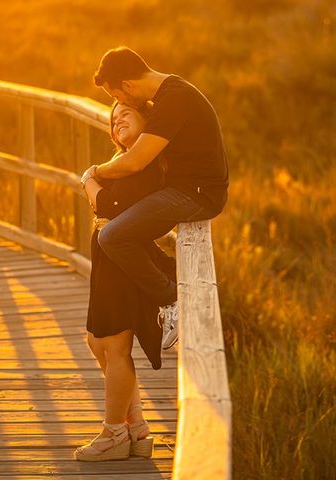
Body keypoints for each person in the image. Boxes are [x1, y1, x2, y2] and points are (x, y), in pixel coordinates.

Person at [87, 46, 229, 350]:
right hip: (181, 190)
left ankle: (172, 300)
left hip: (198, 195)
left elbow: (136, 161)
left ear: (126, 85)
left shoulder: (176, 99)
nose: (119, 103)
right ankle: (173, 282)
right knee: (120, 227)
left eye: (116, 97)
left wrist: (95, 173)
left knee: (112, 236)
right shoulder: (170, 95)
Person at [73, 102, 176, 462]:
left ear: (147, 121)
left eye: (125, 115)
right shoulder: (122, 162)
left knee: (115, 347)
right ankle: (138, 426)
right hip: (106, 263)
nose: (117, 123)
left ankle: (114, 432)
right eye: (113, 121)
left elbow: (110, 207)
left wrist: (88, 181)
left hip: (123, 266)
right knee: (96, 341)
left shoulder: (144, 164)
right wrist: (99, 186)